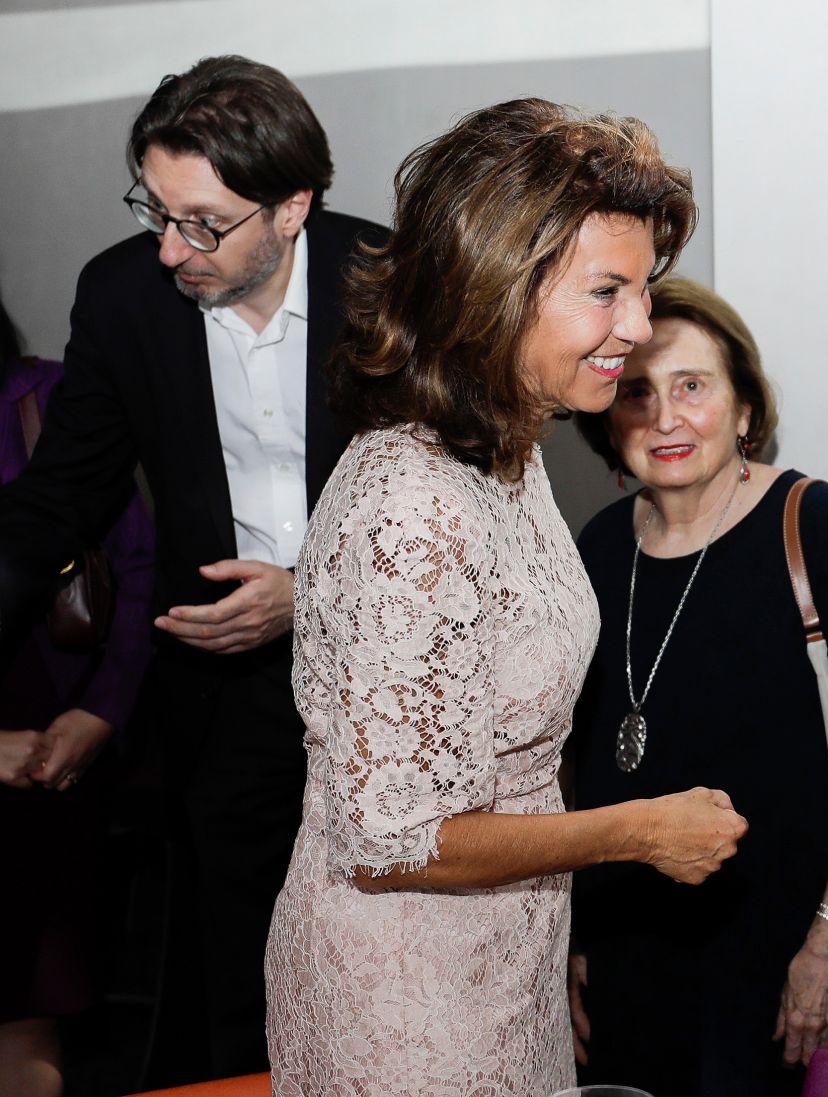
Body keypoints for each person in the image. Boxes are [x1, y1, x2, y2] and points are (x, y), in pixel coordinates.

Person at [263, 101, 748, 1096]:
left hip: (498, 956)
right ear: (495, 289)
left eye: (642, 288)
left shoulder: (508, 455)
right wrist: (638, 830)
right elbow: (392, 841)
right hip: (404, 992)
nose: (640, 326)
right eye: (605, 291)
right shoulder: (413, 504)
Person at [0, 55, 384, 1077]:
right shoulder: (121, 293)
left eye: (204, 222)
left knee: (382, 960)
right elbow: (57, 498)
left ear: (294, 204)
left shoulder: (393, 291)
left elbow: (465, 518)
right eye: (155, 209)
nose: (171, 248)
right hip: (220, 693)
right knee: (238, 972)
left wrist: (310, 595)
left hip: (383, 681)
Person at [570, 277, 828, 1096]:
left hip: (786, 958)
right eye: (636, 393)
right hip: (630, 961)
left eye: (692, 387)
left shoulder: (817, 523)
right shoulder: (594, 549)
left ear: (744, 410)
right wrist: (577, 938)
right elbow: (580, 763)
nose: (663, 416)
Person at [0, 294, 153, 1097]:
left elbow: (134, 565)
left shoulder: (48, 396)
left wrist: (102, 714)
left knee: (28, 1008)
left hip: (48, 751)